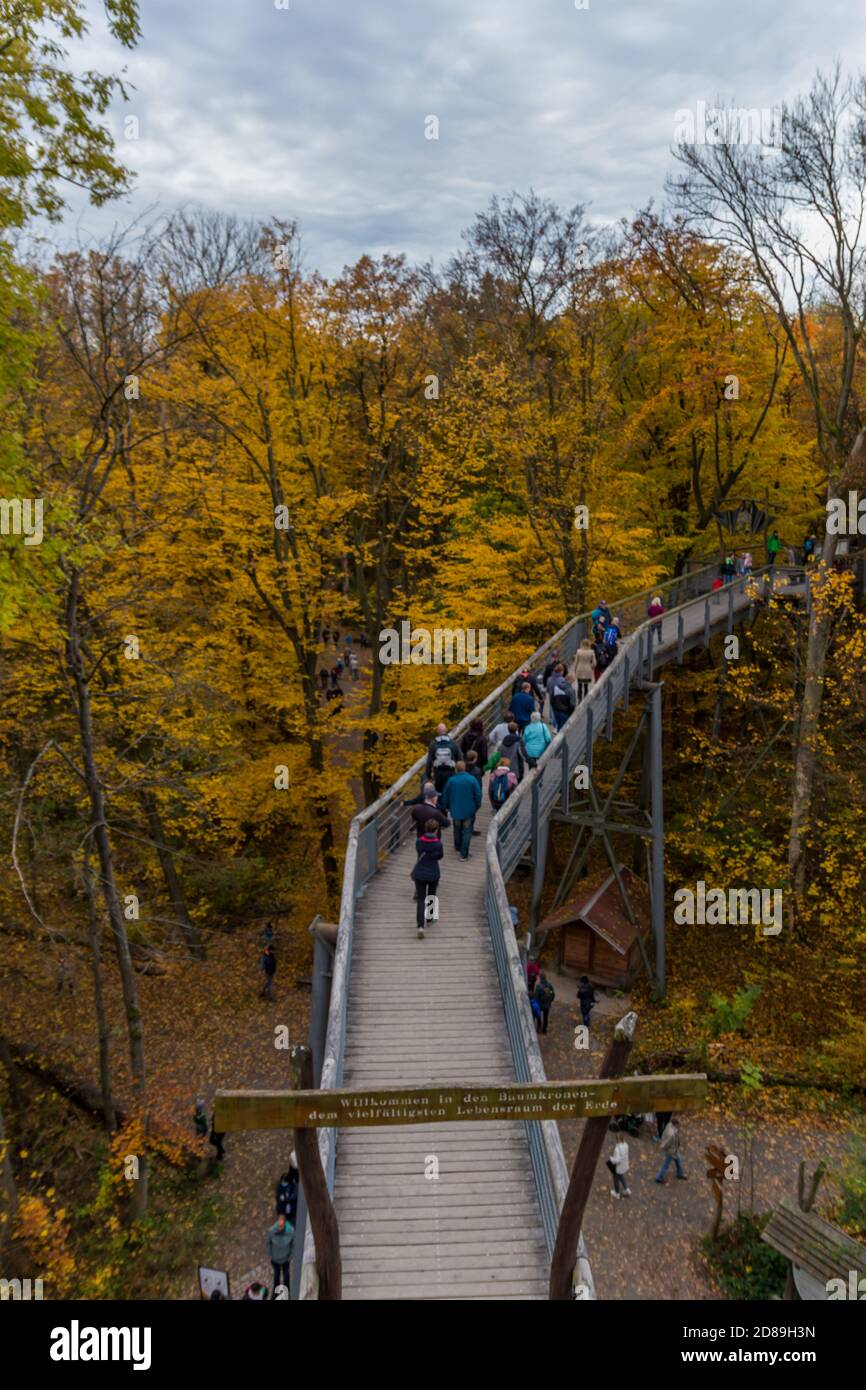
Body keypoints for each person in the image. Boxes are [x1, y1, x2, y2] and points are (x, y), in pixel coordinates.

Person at [441, 760, 482, 859]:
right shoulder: (472, 779)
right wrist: (477, 806)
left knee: (457, 829)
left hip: (455, 810)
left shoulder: (451, 780)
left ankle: (457, 846)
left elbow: (445, 795)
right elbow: (478, 794)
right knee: (467, 831)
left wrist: (446, 807)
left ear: (455, 769)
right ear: (465, 768)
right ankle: (464, 855)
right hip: (469, 810)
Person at [411, 819, 443, 938]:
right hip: (433, 873)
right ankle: (429, 919)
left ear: (425, 829)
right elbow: (440, 856)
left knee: (420, 899)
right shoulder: (438, 843)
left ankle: (420, 926)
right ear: (435, 830)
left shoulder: (419, 842)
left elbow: (419, 852)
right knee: (431, 895)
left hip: (420, 873)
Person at [424, 723, 461, 794]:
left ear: (438, 731)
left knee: (439, 793)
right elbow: (460, 759)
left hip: (438, 773)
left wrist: (428, 776)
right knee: (450, 792)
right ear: (446, 730)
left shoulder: (433, 744)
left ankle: (441, 804)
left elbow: (429, 762)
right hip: (451, 773)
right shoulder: (453, 743)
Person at [267, 1213, 294, 1294]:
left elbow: (293, 1245)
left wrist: (290, 1256)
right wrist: (271, 1255)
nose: (280, 1227)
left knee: (286, 1277)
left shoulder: (290, 1232)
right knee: (276, 1277)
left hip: (286, 1259)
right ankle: (276, 1293)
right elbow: (268, 1244)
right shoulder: (272, 1231)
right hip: (275, 1259)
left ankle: (287, 1293)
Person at [655, 1117, 687, 1183]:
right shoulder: (671, 1135)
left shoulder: (669, 1125)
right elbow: (667, 1144)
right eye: (679, 1124)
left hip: (674, 1149)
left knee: (678, 1161)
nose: (680, 1126)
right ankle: (659, 1178)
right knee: (666, 1165)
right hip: (671, 1151)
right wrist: (665, 1148)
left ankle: (680, 1174)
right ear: (676, 1124)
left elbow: (664, 1135)